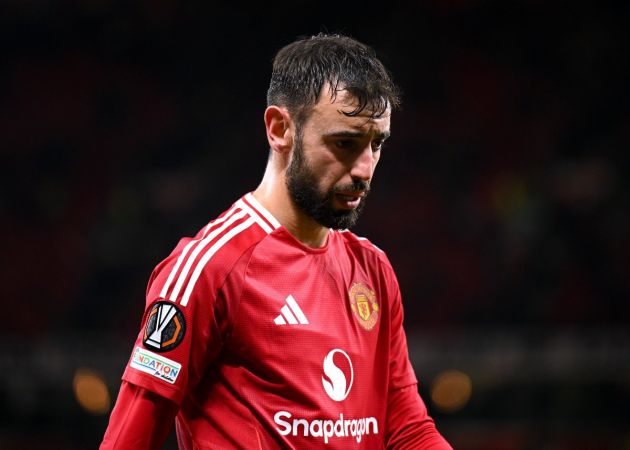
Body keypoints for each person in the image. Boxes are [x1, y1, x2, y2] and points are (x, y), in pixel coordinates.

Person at [100, 32, 452, 449]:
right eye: (345, 143)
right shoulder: (208, 267)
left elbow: (407, 430)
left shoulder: (373, 271)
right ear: (280, 128)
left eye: (376, 144)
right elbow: (128, 440)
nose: (364, 168)